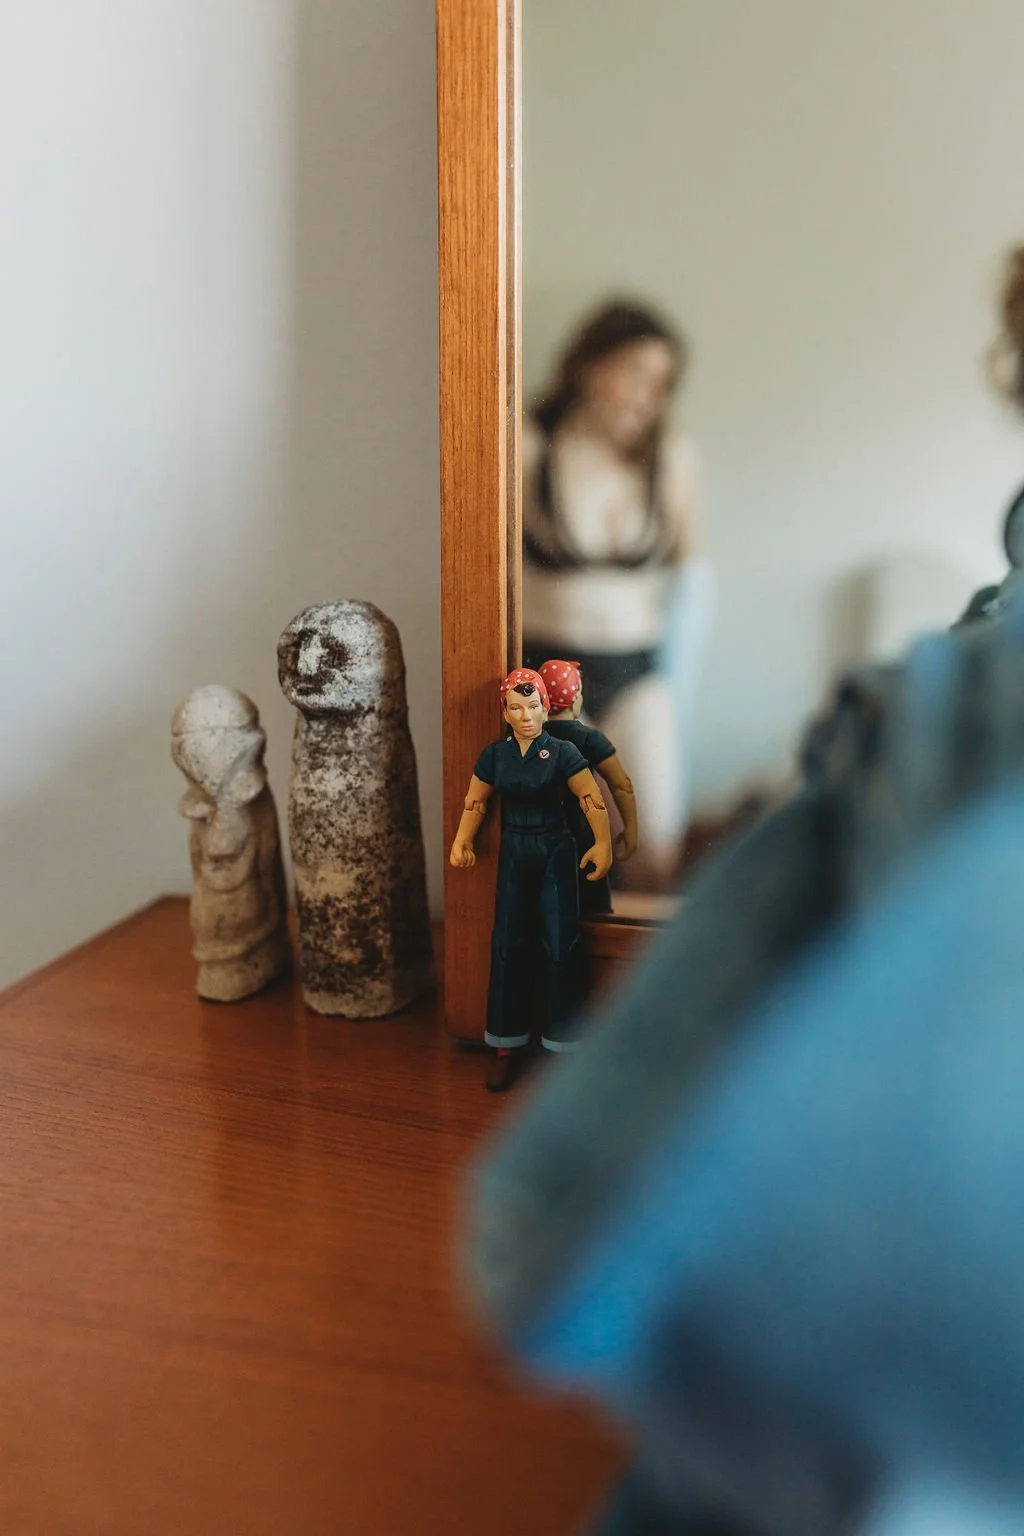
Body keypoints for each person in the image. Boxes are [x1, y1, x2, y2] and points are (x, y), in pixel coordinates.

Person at [522, 300, 714, 890]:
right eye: (633, 372)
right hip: (546, 669)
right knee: (556, 853)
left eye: (662, 382)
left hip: (636, 671)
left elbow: (695, 580)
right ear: (587, 365)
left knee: (654, 845)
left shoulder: (672, 458)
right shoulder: (531, 447)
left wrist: (680, 682)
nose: (645, 396)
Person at [449, 668, 613, 1091]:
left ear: (545, 707)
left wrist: (602, 843)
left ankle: (563, 1047)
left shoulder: (560, 752)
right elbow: (475, 802)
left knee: (561, 943)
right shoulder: (495, 757)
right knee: (507, 943)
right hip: (515, 851)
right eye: (517, 708)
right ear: (505, 711)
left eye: (534, 706)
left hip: (556, 849)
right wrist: (462, 840)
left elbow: (589, 796)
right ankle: (506, 1046)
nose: (526, 716)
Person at [538, 657, 639, 915]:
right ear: (576, 697)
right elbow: (620, 784)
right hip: (585, 840)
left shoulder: (524, 741)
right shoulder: (588, 739)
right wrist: (630, 827)